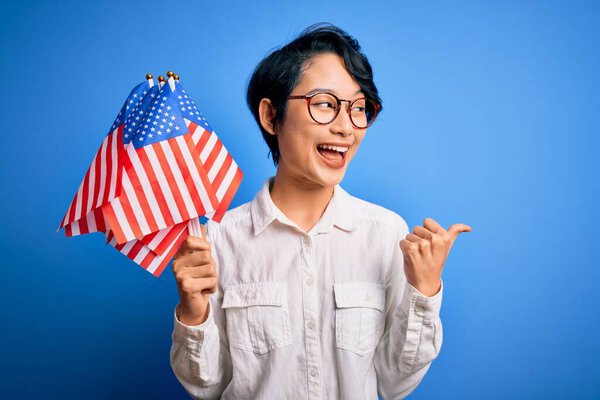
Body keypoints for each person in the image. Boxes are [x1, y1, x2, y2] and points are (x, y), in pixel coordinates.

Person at [169, 23, 471, 400]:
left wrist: (423, 290)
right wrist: (193, 311)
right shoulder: (218, 238)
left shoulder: (385, 233)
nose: (346, 127)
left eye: (359, 108)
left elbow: (395, 383)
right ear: (270, 116)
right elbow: (208, 385)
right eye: (326, 104)